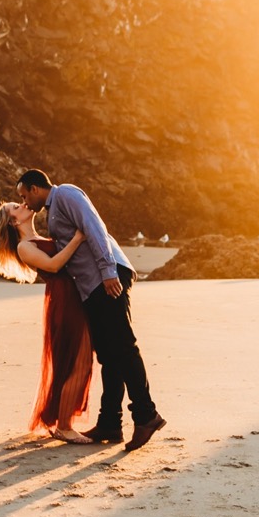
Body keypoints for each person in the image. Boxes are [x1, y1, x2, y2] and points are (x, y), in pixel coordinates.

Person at [16, 168, 165, 451]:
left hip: (106, 277)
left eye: (24, 195)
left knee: (123, 346)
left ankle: (146, 415)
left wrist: (108, 271)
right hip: (92, 287)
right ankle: (110, 422)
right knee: (109, 355)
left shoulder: (67, 194)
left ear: (35, 188)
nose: (25, 202)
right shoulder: (52, 213)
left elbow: (94, 227)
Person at [0, 201, 93, 443]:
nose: (22, 204)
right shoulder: (24, 247)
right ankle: (64, 426)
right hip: (64, 302)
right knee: (78, 360)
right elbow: (54, 265)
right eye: (15, 206)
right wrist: (78, 238)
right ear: (13, 221)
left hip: (75, 297)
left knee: (80, 360)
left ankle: (64, 422)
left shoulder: (41, 238)